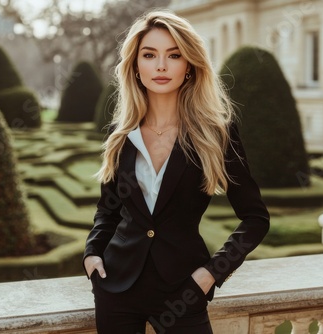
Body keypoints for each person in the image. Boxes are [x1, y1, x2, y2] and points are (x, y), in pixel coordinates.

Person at [83, 10, 270, 334]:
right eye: (149, 55)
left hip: (184, 290)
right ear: (135, 66)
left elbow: (255, 218)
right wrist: (92, 253)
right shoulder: (120, 134)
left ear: (189, 66)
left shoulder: (216, 133)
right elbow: (108, 209)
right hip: (117, 288)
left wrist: (212, 273)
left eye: (173, 55)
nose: (161, 65)